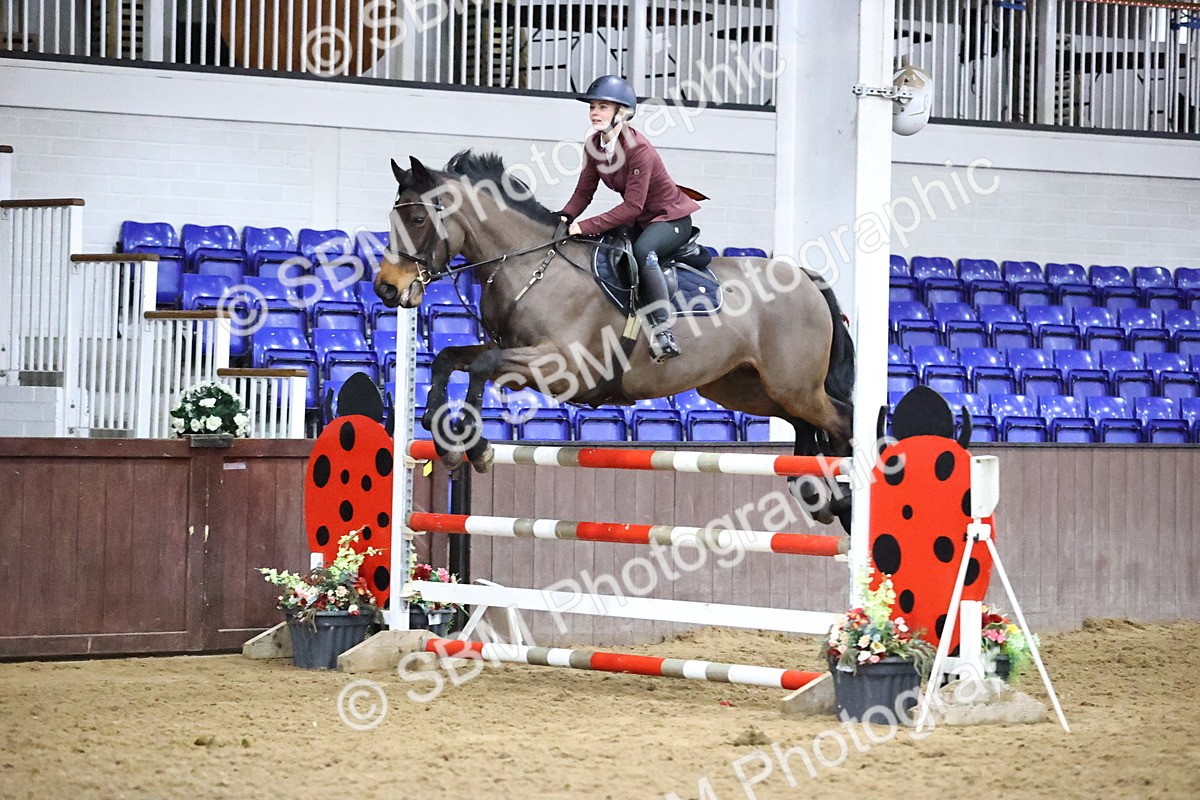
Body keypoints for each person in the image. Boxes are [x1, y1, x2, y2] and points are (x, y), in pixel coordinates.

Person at [558, 75, 701, 363]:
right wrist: (563, 218)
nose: (595, 113)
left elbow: (633, 207)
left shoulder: (639, 150)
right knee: (608, 248)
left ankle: (662, 330)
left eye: (603, 107)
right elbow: (584, 193)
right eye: (592, 107)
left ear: (621, 113)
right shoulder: (594, 145)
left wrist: (583, 225)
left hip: (669, 218)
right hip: (641, 220)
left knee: (642, 252)